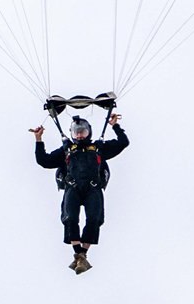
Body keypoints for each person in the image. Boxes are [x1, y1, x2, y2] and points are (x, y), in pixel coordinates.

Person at [30, 112, 128, 274]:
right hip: (73, 187)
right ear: (72, 134)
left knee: (94, 219)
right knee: (70, 218)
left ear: (89, 132)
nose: (80, 135)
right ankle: (80, 255)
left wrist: (115, 125)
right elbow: (44, 161)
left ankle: (81, 255)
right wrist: (38, 139)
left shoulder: (98, 148)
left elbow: (123, 142)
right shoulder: (67, 150)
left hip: (93, 188)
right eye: (77, 132)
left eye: (83, 132)